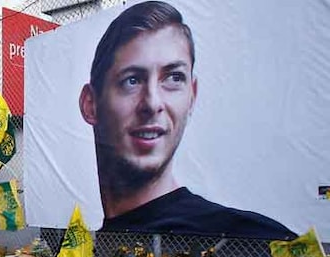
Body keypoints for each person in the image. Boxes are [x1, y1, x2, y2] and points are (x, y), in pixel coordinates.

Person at [80, 0, 294, 239]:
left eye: (173, 78)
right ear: (90, 105)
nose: (152, 103)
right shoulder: (94, 242)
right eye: (132, 80)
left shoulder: (254, 238)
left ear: (192, 96)